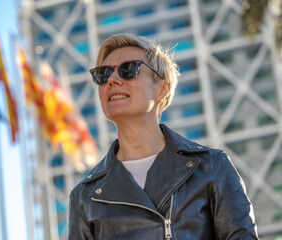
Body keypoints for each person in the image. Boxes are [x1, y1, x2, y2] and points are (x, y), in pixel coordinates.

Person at [68, 33, 259, 240]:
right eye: (103, 74)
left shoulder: (211, 167)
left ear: (162, 89)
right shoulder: (85, 197)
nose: (112, 80)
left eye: (129, 69)